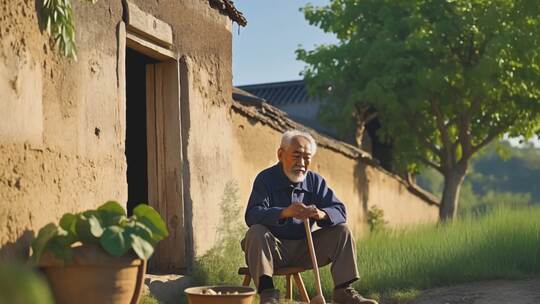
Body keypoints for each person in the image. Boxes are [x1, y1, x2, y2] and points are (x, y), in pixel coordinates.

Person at [242, 130, 378, 304]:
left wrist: (321, 214)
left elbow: (340, 211)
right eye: (296, 156)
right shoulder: (265, 179)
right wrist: (284, 212)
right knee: (256, 231)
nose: (301, 163)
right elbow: (252, 215)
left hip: (305, 249)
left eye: (307, 158)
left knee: (342, 231)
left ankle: (343, 290)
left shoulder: (314, 181)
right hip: (273, 249)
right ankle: (267, 293)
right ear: (280, 154)